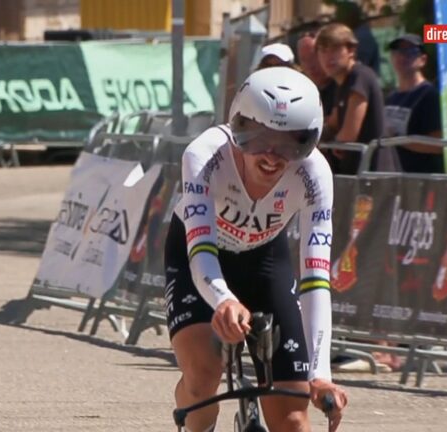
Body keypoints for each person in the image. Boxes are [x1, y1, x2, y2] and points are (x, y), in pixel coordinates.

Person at [165, 67, 348, 431]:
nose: (272, 156)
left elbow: (315, 279)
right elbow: (200, 251)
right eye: (259, 138)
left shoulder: (314, 175)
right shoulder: (203, 155)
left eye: (291, 143)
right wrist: (222, 299)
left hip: (265, 262)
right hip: (201, 262)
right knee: (203, 377)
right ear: (238, 128)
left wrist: (321, 374)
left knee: (294, 419)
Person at [316, 23, 384, 175]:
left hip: (374, 176)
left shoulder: (360, 76)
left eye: (334, 49)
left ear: (351, 50)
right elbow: (332, 124)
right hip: (357, 175)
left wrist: (320, 145)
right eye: (323, 50)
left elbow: (347, 136)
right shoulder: (341, 83)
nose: (328, 57)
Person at [384, 34, 444, 173]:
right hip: (392, 175)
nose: (402, 56)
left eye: (410, 52)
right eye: (397, 52)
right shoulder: (391, 97)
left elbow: (437, 144)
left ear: (422, 60)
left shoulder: (429, 95)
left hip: (421, 178)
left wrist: (398, 140)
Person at [297, 33, 336, 119]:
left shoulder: (342, 85)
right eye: (304, 60)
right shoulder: (298, 90)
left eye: (313, 57)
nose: (310, 65)